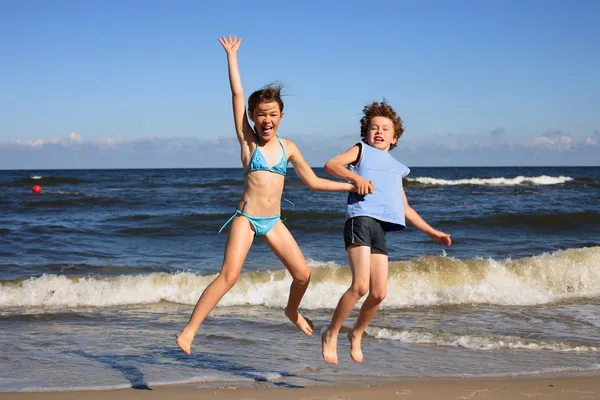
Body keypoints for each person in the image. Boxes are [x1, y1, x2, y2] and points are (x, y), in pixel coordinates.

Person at [176, 35, 361, 355]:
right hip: (246, 219)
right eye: (260, 114)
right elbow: (236, 93)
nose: (267, 119)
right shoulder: (248, 143)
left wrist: (350, 185)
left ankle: (291, 311)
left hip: (273, 221)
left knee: (303, 275)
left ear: (281, 116)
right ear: (252, 117)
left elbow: (314, 183)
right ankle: (190, 331)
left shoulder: (289, 149)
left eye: (273, 113)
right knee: (229, 276)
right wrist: (232, 57)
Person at [321, 100, 452, 364]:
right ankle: (331, 333)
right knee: (360, 285)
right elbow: (331, 165)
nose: (378, 132)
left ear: (395, 137)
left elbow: (405, 207)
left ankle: (356, 333)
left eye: (385, 129)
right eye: (373, 128)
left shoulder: (396, 167)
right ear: (366, 133)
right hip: (359, 219)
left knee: (379, 293)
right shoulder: (361, 151)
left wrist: (432, 233)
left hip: (379, 227)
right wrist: (355, 178)